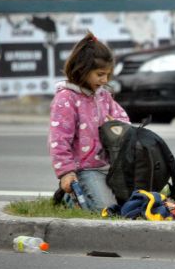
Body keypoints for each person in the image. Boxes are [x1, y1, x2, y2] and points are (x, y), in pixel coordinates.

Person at [48, 31, 130, 212]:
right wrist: (66, 173)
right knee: (107, 210)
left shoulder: (104, 96)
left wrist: (117, 124)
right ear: (82, 69)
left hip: (110, 167)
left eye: (108, 75)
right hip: (84, 170)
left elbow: (124, 119)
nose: (105, 80)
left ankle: (80, 196)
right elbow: (59, 141)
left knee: (128, 205)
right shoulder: (66, 99)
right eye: (100, 74)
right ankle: (70, 197)